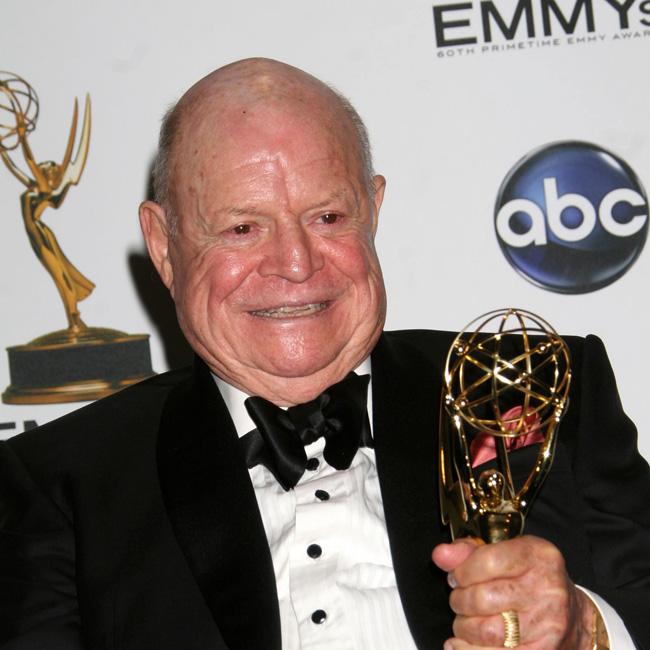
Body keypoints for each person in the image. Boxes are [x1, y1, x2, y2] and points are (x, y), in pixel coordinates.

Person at [0, 58, 649, 650]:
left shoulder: (531, 387)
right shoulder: (63, 482)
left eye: (328, 218)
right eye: (242, 228)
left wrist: (585, 628)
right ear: (165, 246)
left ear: (373, 208)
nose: (295, 262)